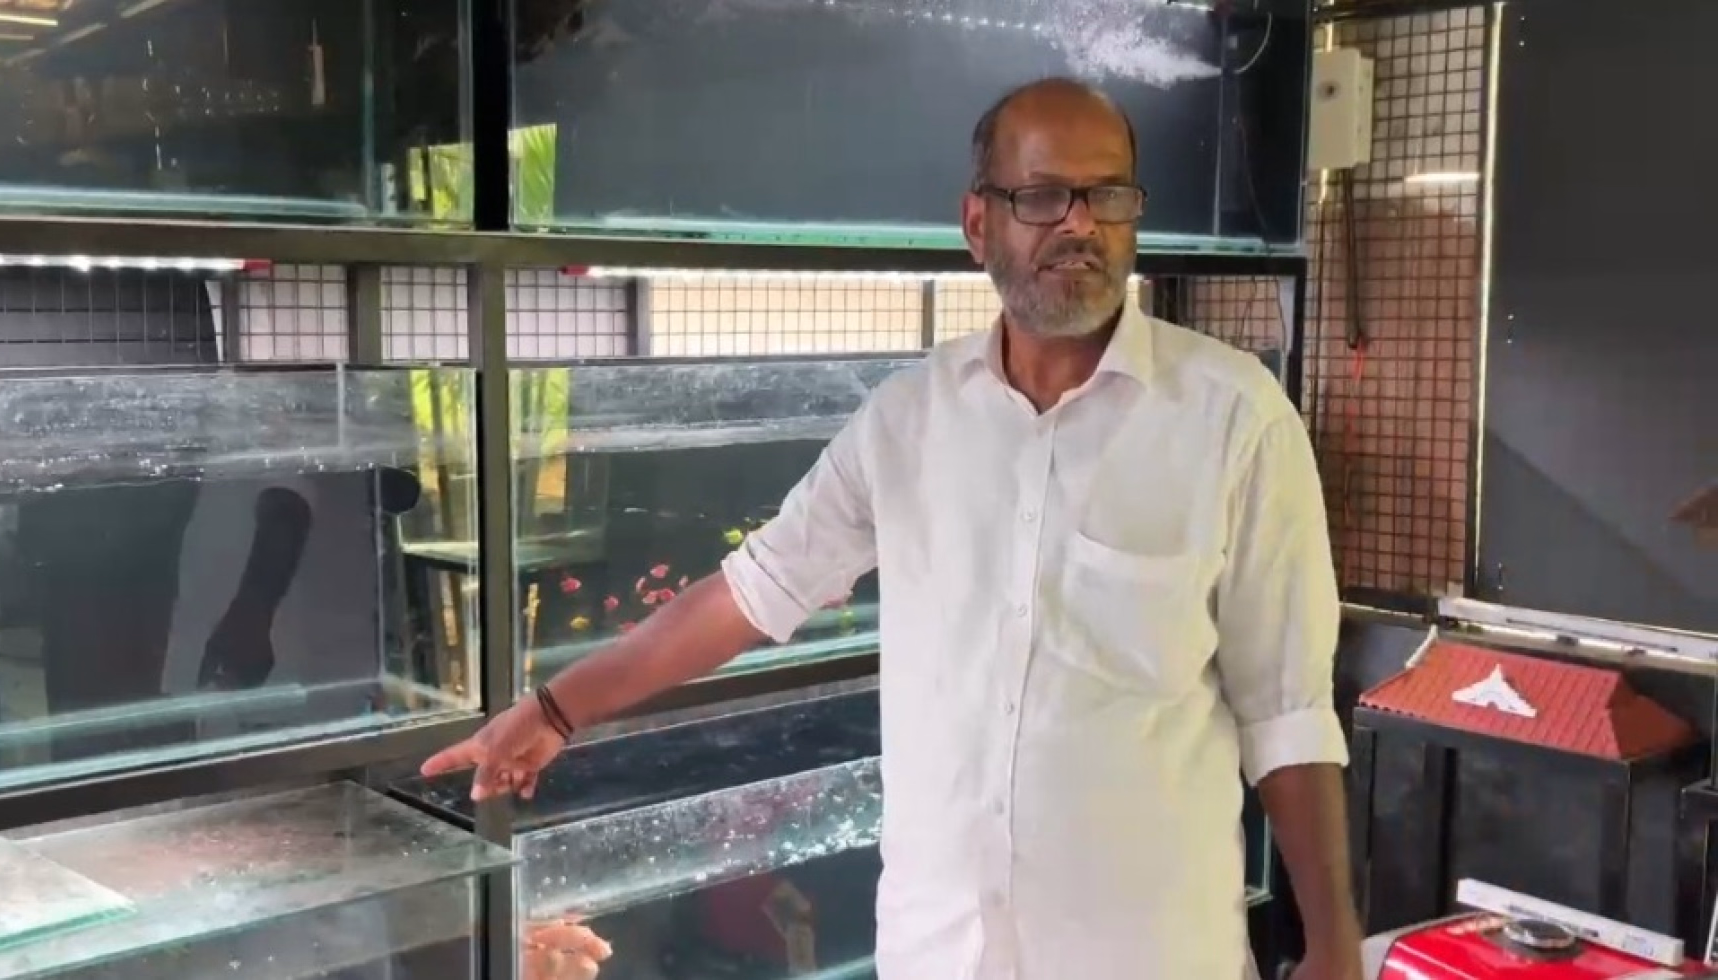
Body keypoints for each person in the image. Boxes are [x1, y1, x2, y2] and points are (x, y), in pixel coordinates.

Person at [424, 77, 1362, 980]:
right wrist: (557, 710)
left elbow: (1286, 710)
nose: (1080, 223)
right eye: (1042, 196)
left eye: (1107, 195)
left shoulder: (1232, 419)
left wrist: (1331, 945)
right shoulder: (909, 421)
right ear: (977, 223)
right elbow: (749, 593)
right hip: (938, 951)